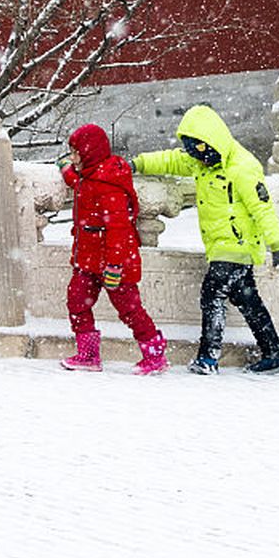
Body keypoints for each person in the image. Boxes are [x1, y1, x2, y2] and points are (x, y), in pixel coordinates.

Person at [132, 104, 279, 375]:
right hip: (219, 247)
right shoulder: (199, 162)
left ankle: (208, 358)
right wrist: (137, 163)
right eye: (191, 149)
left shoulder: (242, 167)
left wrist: (278, 248)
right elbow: (170, 160)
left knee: (212, 294)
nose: (196, 155)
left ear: (211, 141)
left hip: (236, 247)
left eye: (198, 148)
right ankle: (275, 353)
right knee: (248, 300)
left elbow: (262, 209)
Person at [58, 123, 167, 375]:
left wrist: (115, 265)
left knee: (129, 310)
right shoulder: (91, 176)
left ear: (90, 153)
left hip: (113, 263)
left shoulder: (108, 183)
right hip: (88, 260)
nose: (72, 159)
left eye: (76, 154)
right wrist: (66, 171)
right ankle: (88, 355)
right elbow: (81, 185)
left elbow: (117, 230)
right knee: (76, 301)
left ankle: (155, 355)